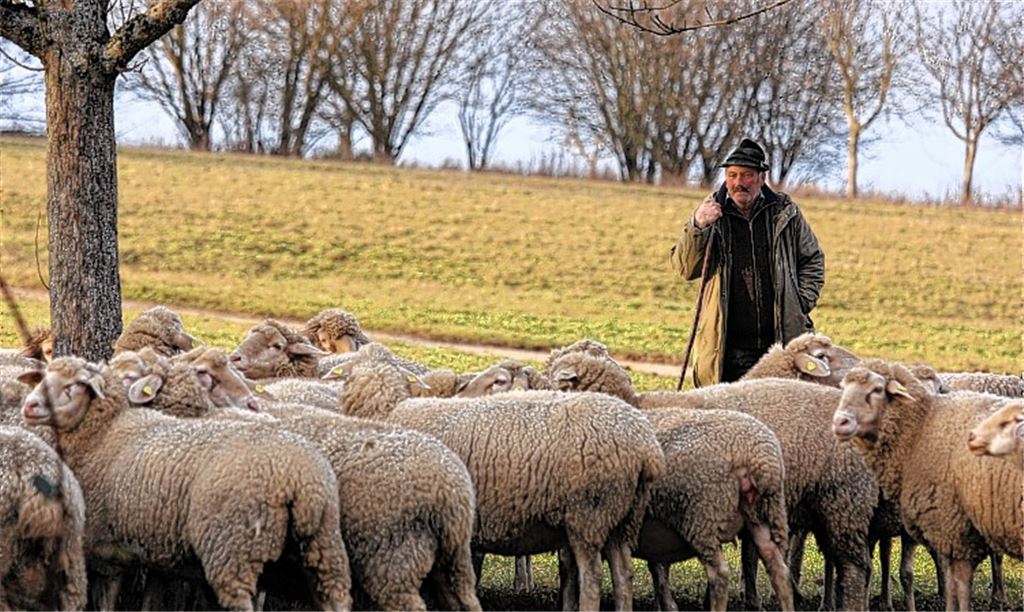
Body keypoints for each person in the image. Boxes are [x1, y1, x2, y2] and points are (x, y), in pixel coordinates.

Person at [670, 137, 825, 387]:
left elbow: (812, 259)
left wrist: (799, 302)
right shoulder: (712, 215)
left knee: (780, 407)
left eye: (746, 175)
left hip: (777, 347)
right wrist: (698, 225)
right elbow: (685, 268)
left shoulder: (784, 213)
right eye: (732, 175)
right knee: (724, 410)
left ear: (762, 178)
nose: (738, 183)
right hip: (726, 350)